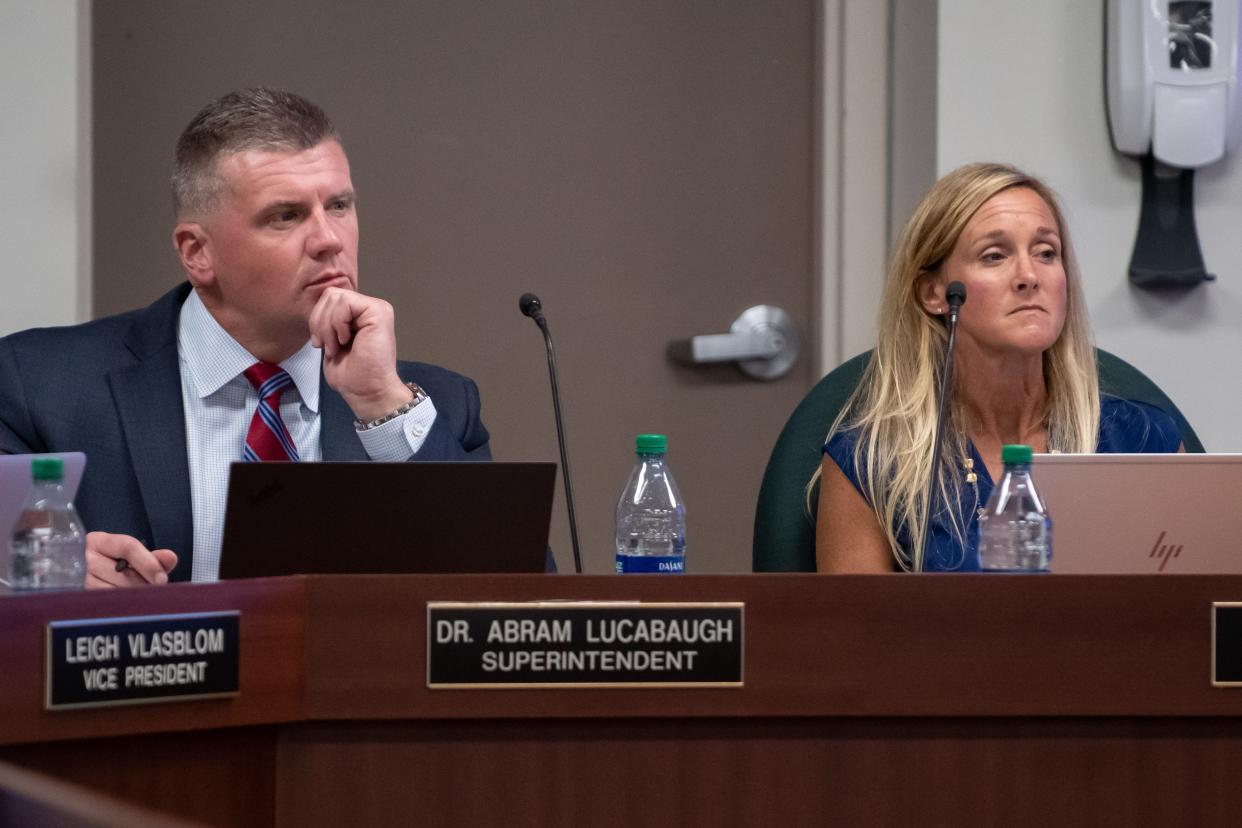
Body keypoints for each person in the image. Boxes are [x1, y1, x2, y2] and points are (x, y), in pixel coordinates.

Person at [0, 88, 490, 587]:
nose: (329, 240)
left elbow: (517, 607)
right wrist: (41, 577)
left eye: (339, 205)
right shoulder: (37, 387)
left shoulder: (436, 406)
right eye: (286, 215)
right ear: (197, 253)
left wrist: (381, 403)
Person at [814, 162, 1182, 573]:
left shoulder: (1143, 443)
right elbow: (856, 634)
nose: (1029, 275)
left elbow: (1200, 623)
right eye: (994, 256)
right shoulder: (872, 464)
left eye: (1047, 253)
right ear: (934, 293)